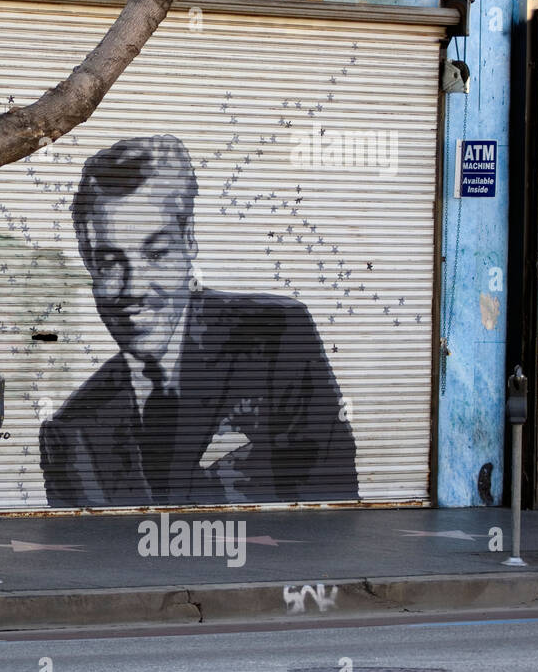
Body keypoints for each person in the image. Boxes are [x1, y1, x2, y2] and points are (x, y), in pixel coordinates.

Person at [39, 134, 358, 508]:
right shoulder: (71, 432)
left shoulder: (275, 336)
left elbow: (331, 506)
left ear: (189, 241)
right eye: (110, 263)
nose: (134, 288)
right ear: (88, 265)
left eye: (156, 253)